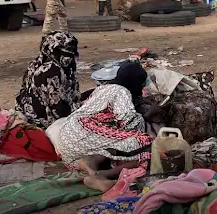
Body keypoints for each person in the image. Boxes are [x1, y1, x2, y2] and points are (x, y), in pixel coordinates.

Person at [56, 61, 156, 192]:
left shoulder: (103, 88)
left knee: (109, 143)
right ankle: (104, 176)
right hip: (84, 135)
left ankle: (89, 167)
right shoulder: (122, 92)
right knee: (148, 144)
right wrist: (151, 113)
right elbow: (130, 123)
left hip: (68, 139)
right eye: (142, 84)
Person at [15, 32, 81, 129]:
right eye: (65, 50)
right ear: (52, 50)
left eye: (71, 50)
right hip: (43, 120)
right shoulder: (53, 70)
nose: (69, 55)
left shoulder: (36, 62)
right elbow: (58, 110)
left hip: (28, 112)